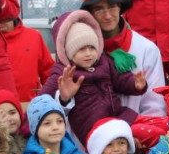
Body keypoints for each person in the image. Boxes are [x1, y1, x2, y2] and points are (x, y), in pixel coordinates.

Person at [39, 10, 148, 145]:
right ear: (69, 51)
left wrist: (135, 84)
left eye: (92, 48)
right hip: (94, 128)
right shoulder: (64, 72)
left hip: (118, 116)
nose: (88, 54)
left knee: (159, 128)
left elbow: (120, 79)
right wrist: (63, 98)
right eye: (82, 49)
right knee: (144, 134)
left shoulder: (104, 61)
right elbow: (42, 101)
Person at [80, 0, 166, 117]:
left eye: (112, 7)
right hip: (90, 133)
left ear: (120, 8)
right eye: (99, 9)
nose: (108, 16)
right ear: (89, 13)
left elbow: (155, 106)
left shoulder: (146, 49)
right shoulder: (77, 50)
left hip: (135, 134)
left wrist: (138, 136)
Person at [0, 17, 52, 104]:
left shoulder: (34, 36)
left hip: (30, 105)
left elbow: (48, 73)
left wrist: (47, 100)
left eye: (3, 15)